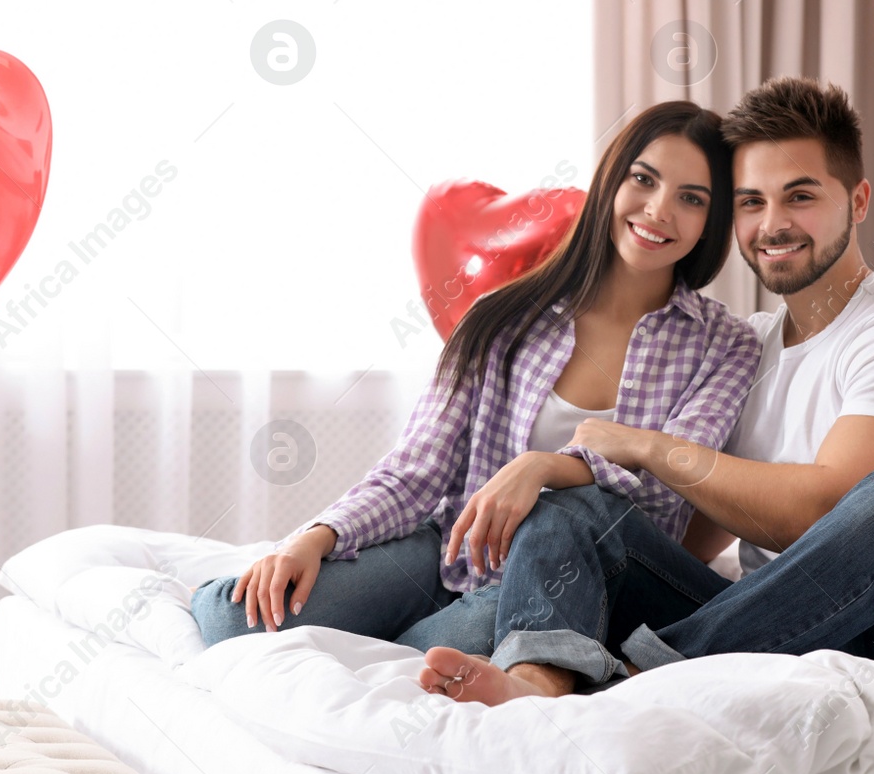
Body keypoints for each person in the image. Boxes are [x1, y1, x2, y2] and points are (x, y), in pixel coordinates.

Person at [418, 75, 874, 703]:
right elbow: (700, 525)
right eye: (750, 202)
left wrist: (645, 445)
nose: (773, 224)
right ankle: (541, 677)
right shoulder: (754, 344)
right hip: (767, 619)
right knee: (578, 509)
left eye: (800, 196)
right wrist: (593, 547)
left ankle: (641, 676)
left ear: (857, 201)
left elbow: (826, 510)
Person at [189, 100, 762, 655]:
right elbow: (417, 468)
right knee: (229, 620)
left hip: (564, 579)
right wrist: (317, 537)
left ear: (711, 221)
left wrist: (541, 466)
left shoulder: (727, 346)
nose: (659, 209)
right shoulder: (504, 315)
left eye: (691, 198)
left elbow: (665, 487)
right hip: (449, 553)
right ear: (612, 180)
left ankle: (437, 638)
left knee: (426, 654)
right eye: (644, 179)